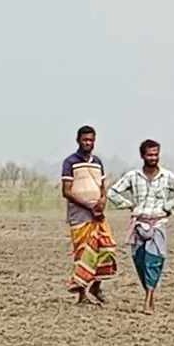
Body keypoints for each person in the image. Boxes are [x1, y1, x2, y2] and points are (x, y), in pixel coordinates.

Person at [107, 139, 174, 314]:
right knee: (140, 261)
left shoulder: (167, 176)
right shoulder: (133, 176)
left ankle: (149, 298)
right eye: (149, 155)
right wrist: (129, 205)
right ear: (142, 156)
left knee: (154, 260)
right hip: (139, 223)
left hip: (158, 223)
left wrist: (168, 206)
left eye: (156, 154)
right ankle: (148, 291)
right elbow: (112, 192)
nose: (153, 158)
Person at [61, 125, 117, 303]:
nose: (88, 143)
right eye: (85, 140)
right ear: (78, 140)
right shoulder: (70, 162)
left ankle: (96, 286)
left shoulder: (97, 162)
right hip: (79, 216)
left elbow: (102, 188)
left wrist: (101, 203)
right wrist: (88, 206)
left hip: (98, 215)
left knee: (106, 248)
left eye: (91, 140)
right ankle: (82, 294)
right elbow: (66, 191)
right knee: (83, 253)